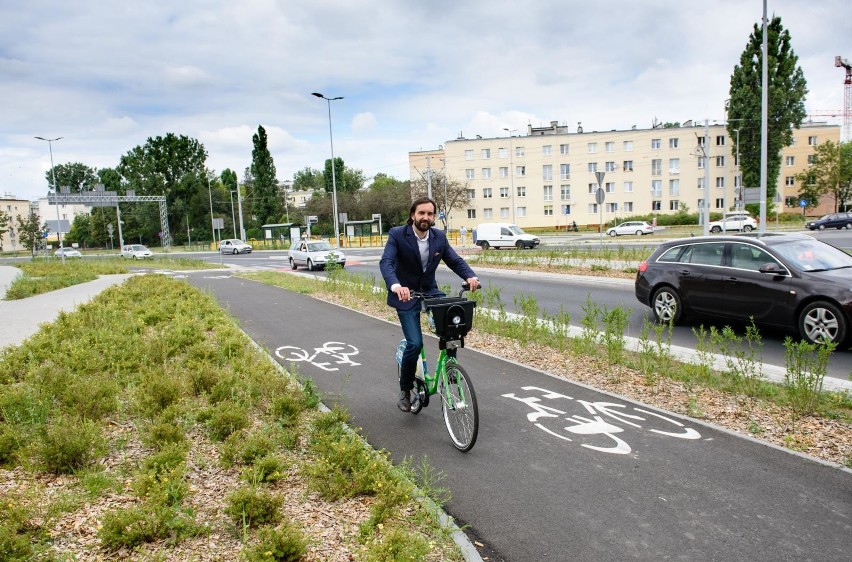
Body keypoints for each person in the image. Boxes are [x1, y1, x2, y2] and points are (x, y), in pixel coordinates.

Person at [380, 197, 480, 412]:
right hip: (405, 294)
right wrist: (396, 286)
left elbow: (454, 260)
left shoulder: (438, 237)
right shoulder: (397, 234)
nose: (425, 217)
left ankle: (451, 375)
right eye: (421, 213)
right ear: (413, 215)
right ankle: (405, 390)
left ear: (434, 217)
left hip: (430, 291)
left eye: (430, 214)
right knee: (414, 344)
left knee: (453, 332)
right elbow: (386, 262)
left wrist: (470, 276)